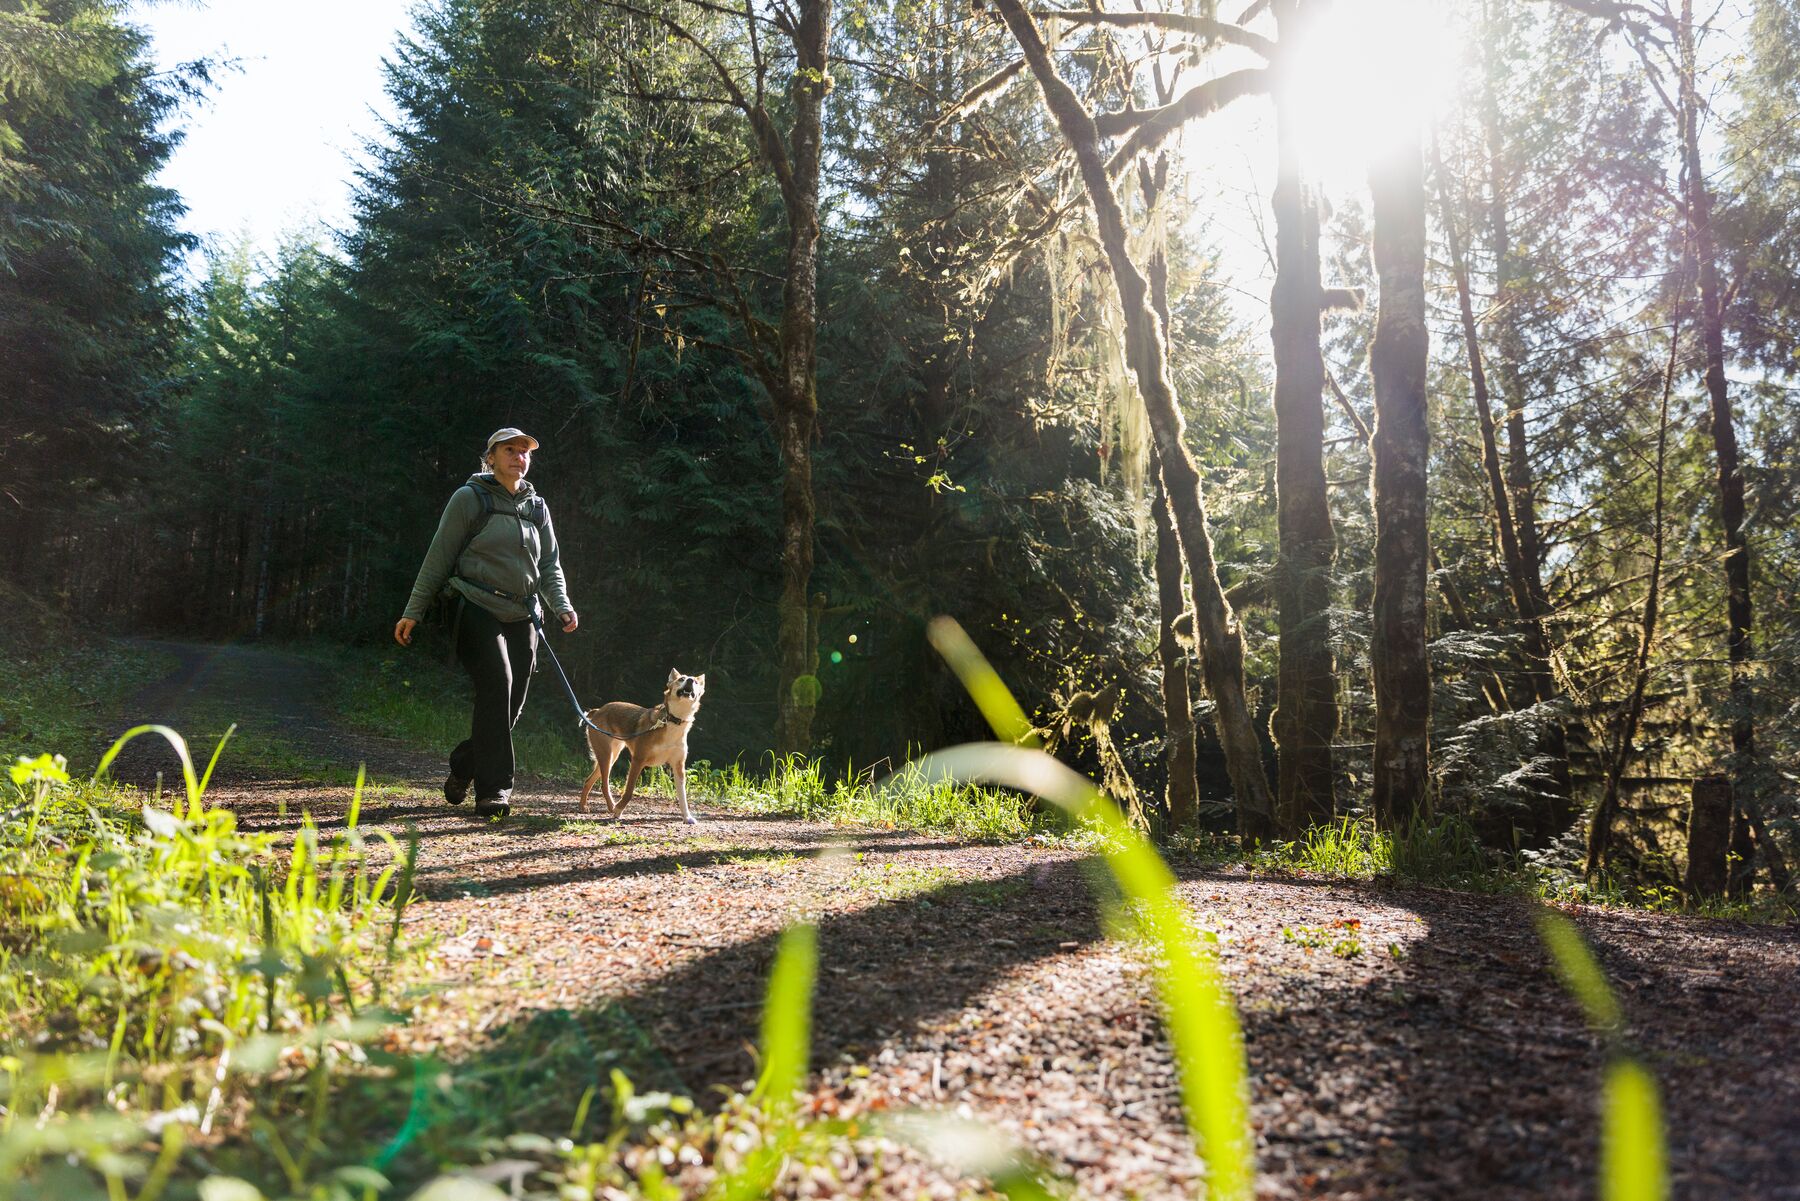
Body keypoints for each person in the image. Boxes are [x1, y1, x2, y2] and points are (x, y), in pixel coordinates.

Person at [394, 428, 579, 817]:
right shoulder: (469, 498)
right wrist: (414, 610)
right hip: (474, 604)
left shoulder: (536, 506)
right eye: (509, 450)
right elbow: (439, 556)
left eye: (525, 451)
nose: (519, 457)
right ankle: (494, 792)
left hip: (524, 611)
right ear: (490, 458)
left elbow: (549, 565)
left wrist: (561, 605)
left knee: (510, 705)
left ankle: (464, 765)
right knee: (498, 682)